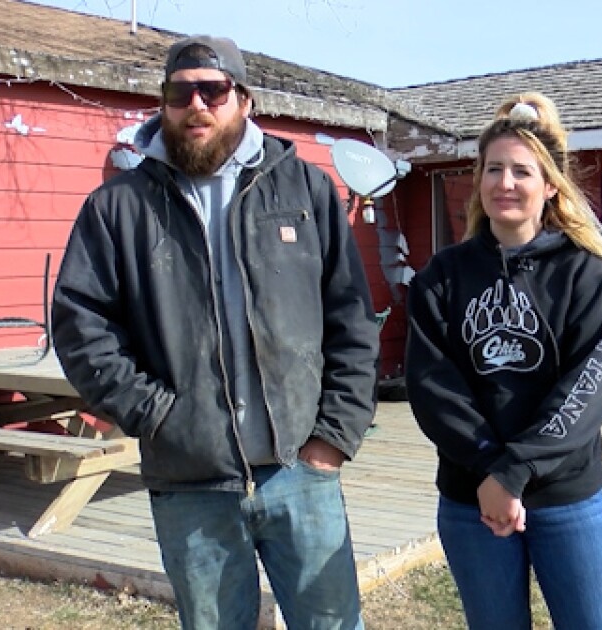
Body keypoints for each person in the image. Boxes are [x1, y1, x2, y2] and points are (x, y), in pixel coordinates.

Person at [51, 34, 380, 630]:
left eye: (213, 90)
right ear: (164, 103)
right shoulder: (118, 207)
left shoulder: (304, 191)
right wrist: (157, 414)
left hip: (300, 471)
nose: (196, 105)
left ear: (244, 100)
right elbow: (81, 325)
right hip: (191, 483)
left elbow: (351, 317)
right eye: (180, 93)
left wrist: (333, 435)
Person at [404, 92, 602, 630]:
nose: (505, 182)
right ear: (479, 179)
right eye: (494, 169)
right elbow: (433, 386)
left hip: (566, 497)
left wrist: (514, 471)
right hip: (472, 499)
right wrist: (490, 471)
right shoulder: (442, 277)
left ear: (550, 185)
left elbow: (586, 389)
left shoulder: (588, 274)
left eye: (522, 171)